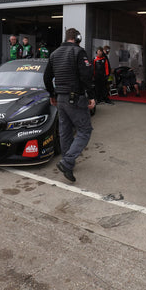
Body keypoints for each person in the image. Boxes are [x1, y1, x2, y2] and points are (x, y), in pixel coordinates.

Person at [43, 28, 96, 183]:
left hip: (60, 98)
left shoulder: (54, 54)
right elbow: (86, 76)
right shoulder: (79, 52)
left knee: (65, 131)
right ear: (78, 38)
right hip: (75, 98)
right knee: (85, 130)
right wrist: (92, 96)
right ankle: (67, 162)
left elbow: (47, 78)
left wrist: (52, 95)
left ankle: (67, 161)